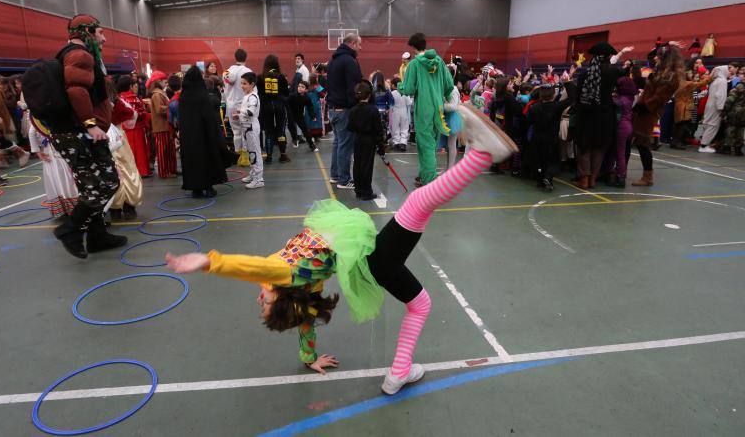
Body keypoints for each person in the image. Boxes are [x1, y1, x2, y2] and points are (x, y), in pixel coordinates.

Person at [165, 107, 517, 394]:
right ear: (283, 293)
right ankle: (482, 155)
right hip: (371, 257)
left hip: (372, 264)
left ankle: (398, 373)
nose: (260, 300)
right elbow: (251, 267)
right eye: (268, 303)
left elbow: (304, 323)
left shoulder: (303, 288)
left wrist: (309, 358)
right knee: (420, 200)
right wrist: (209, 262)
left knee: (420, 302)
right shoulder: (283, 274)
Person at [46, 14, 126, 258]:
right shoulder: (79, 55)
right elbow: (77, 90)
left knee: (92, 186)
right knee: (106, 183)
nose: (104, 37)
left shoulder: (74, 55)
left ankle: (96, 236)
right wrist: (91, 124)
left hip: (79, 135)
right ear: (87, 32)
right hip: (82, 135)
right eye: (100, 32)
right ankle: (70, 229)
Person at [399, 32, 454, 187]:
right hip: (438, 107)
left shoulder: (414, 65)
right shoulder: (440, 62)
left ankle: (429, 181)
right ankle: (425, 175)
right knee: (431, 144)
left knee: (426, 145)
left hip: (423, 109)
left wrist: (399, 86)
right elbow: (449, 85)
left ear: (413, 47)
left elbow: (408, 88)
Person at [629, 45, 683, 186]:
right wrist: (635, 69)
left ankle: (648, 177)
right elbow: (646, 85)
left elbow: (660, 97)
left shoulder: (671, 77)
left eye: (658, 56)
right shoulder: (661, 72)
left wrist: (644, 105)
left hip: (649, 112)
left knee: (643, 143)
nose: (655, 58)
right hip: (643, 109)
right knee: (637, 141)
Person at [574, 42, 622, 189]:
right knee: (599, 148)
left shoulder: (585, 74)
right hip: (605, 115)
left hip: (587, 114)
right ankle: (593, 178)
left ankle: (584, 179)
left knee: (584, 147)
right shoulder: (614, 72)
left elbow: (577, 96)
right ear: (608, 57)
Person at [178, 66, 230, 198]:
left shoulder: (183, 96)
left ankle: (195, 189)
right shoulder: (202, 96)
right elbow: (209, 118)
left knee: (191, 161)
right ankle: (208, 187)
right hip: (203, 136)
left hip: (188, 137)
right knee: (205, 160)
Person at [327, 33, 363, 190]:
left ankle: (335, 175)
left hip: (333, 109)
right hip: (344, 110)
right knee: (345, 145)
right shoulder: (349, 61)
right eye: (359, 45)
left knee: (338, 144)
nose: (360, 48)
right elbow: (353, 88)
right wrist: (357, 107)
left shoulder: (333, 60)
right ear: (353, 43)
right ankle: (344, 179)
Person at [106, 78, 144, 220]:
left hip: (102, 141)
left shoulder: (94, 105)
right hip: (119, 140)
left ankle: (114, 207)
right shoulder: (118, 102)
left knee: (112, 171)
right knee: (127, 170)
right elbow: (132, 115)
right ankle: (129, 204)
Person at [527, 84, 574, 191]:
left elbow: (529, 121)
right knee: (552, 161)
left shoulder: (534, 107)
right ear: (553, 95)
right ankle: (548, 177)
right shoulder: (557, 106)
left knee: (539, 161)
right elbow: (572, 97)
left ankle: (540, 181)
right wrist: (568, 82)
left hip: (537, 138)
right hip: (551, 139)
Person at [347, 81, 384, 201]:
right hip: (369, 141)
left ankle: (358, 190)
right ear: (369, 95)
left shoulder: (353, 110)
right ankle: (366, 192)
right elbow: (378, 130)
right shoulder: (373, 110)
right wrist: (381, 145)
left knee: (357, 165)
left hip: (357, 140)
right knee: (367, 166)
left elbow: (350, 127)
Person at [257, 54, 291, 164]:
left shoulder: (260, 77)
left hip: (266, 108)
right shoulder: (281, 77)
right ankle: (283, 155)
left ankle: (269, 156)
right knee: (281, 131)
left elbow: (259, 94)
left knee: (268, 132)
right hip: (279, 106)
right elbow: (286, 93)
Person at [222, 49, 252, 171]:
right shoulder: (248, 71)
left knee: (236, 132)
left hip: (231, 106)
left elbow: (224, 91)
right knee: (245, 131)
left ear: (235, 57)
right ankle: (245, 157)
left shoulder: (226, 72)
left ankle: (238, 156)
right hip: (243, 106)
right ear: (246, 57)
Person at [117, 75, 151, 177]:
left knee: (128, 150)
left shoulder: (119, 98)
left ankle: (131, 171)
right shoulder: (134, 98)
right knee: (139, 150)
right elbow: (141, 113)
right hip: (137, 128)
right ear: (130, 86)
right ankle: (142, 170)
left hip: (123, 128)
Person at [236, 72, 264, 189]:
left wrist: (240, 112)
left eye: (245, 84)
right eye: (241, 83)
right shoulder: (247, 96)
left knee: (255, 153)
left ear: (252, 84)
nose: (242, 86)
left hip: (251, 128)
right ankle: (253, 174)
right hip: (246, 128)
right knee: (249, 152)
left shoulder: (253, 97)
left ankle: (259, 179)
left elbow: (250, 112)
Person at [671, 71, 712, 150]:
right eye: (689, 74)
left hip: (678, 106)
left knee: (677, 125)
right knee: (682, 125)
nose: (691, 75)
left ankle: (674, 142)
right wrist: (712, 76)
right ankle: (678, 142)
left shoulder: (678, 83)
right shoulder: (687, 83)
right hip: (685, 107)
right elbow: (702, 83)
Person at [147, 70, 176, 178]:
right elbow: (159, 110)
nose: (166, 83)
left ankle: (171, 170)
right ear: (158, 81)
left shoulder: (160, 93)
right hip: (161, 127)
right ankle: (164, 172)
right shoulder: (157, 95)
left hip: (165, 126)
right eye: (164, 81)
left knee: (169, 150)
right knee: (163, 151)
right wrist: (171, 108)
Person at [699, 66, 730, 153]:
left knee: (707, 123)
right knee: (713, 125)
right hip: (716, 106)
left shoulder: (715, 81)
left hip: (709, 104)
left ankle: (703, 143)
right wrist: (721, 108)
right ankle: (704, 145)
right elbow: (720, 95)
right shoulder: (723, 81)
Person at [287, 80, 317, 151]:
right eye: (299, 86)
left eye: (302, 87)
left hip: (299, 116)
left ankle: (312, 145)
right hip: (291, 114)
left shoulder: (307, 98)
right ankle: (295, 139)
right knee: (291, 126)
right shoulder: (293, 95)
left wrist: (312, 116)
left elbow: (310, 107)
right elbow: (286, 100)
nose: (300, 88)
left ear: (306, 90)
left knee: (305, 130)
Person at [721, 82, 745, 155]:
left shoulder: (734, 92)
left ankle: (727, 148)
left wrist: (724, 113)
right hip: (743, 116)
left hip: (734, 115)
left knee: (730, 131)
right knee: (740, 132)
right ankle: (738, 149)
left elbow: (728, 103)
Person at [389, 78, 412, 151]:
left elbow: (390, 103)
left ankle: (396, 142)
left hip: (395, 111)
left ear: (393, 85)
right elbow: (409, 103)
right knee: (404, 127)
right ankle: (403, 142)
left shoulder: (392, 93)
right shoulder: (404, 92)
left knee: (395, 127)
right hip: (404, 111)